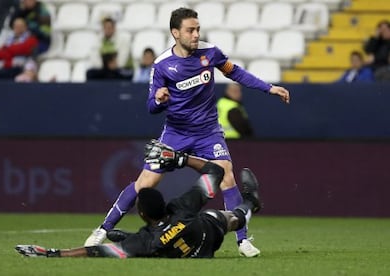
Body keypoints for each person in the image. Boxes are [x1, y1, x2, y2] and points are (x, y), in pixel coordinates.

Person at [84, 7, 289, 257]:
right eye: (190, 30)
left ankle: (243, 241)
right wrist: (160, 99)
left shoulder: (210, 53)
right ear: (175, 33)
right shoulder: (162, 66)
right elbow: (151, 107)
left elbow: (235, 72)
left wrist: (269, 88)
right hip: (176, 133)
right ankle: (102, 230)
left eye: (197, 29)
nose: (195, 34)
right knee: (145, 182)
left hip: (208, 132)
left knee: (227, 175)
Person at [15, 140, 262, 259]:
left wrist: (53, 254)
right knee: (227, 217)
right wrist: (181, 160)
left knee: (135, 247)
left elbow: (98, 251)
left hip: (193, 254)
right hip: (207, 233)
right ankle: (250, 202)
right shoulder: (181, 206)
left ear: (142, 214)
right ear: (164, 204)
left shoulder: (146, 242)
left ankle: (124, 235)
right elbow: (216, 172)